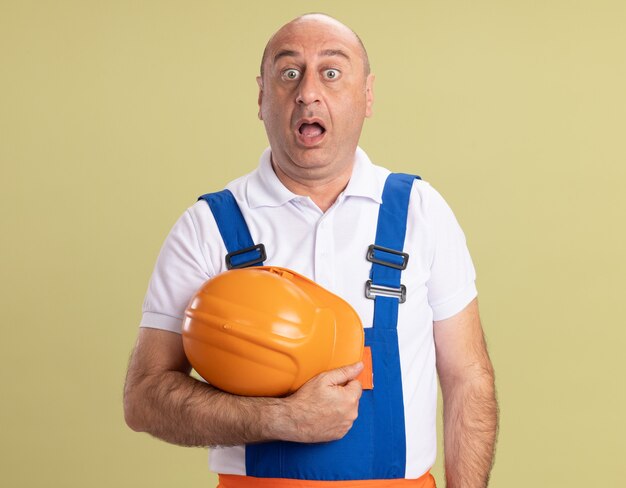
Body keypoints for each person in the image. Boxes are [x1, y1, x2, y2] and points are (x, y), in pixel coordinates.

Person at [124, 13, 498, 488]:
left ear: (367, 96)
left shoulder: (421, 213)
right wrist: (280, 419)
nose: (307, 92)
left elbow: (468, 378)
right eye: (288, 72)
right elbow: (145, 398)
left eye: (332, 71)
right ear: (261, 97)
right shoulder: (208, 228)